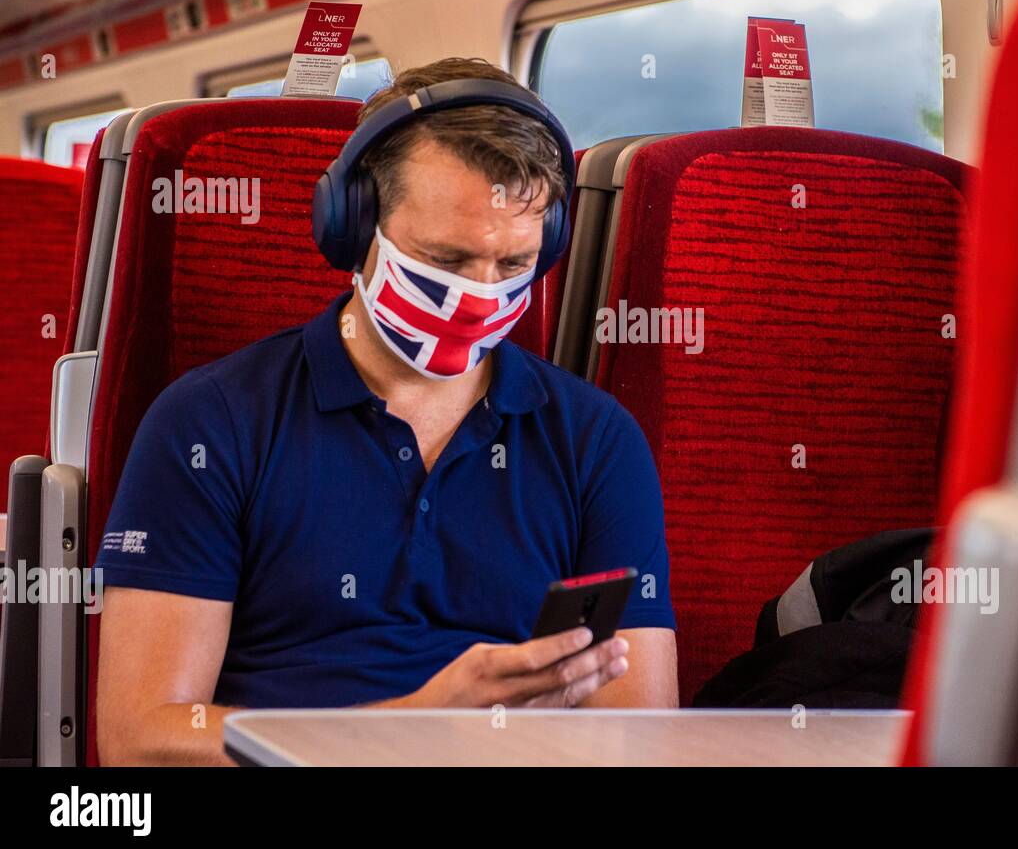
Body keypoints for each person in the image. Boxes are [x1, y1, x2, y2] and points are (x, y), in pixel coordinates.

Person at [95, 58, 677, 766]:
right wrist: (407, 731)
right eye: (447, 260)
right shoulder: (210, 422)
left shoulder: (596, 440)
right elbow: (140, 738)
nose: (481, 296)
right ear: (354, 226)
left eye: (512, 264)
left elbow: (642, 737)